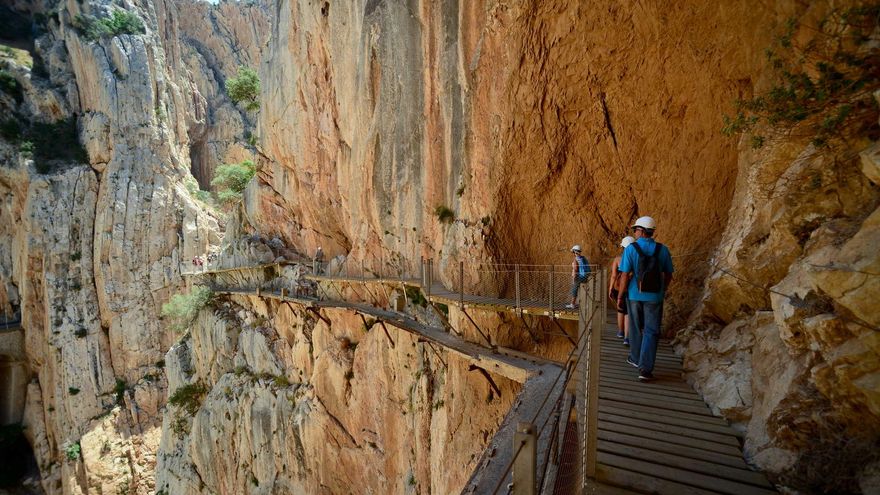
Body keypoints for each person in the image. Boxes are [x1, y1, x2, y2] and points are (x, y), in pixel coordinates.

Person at [616, 216, 673, 382]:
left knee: (634, 327)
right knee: (651, 331)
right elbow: (668, 274)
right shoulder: (663, 250)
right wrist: (662, 290)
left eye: (635, 230)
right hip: (655, 296)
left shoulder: (631, 249)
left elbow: (625, 274)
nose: (635, 232)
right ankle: (645, 369)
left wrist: (620, 295)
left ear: (641, 231)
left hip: (634, 295)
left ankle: (635, 358)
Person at [609, 236, 636, 345]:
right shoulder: (636, 259)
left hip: (618, 288)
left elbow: (614, 275)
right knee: (628, 313)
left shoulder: (618, 259)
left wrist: (610, 288)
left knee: (620, 310)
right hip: (631, 288)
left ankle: (620, 331)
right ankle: (627, 338)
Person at [565, 245, 590, 309]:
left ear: (574, 252)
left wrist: (574, 278)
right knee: (583, 290)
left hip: (580, 277)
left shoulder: (576, 259)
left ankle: (572, 304)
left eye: (573, 252)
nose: (573, 253)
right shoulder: (583, 258)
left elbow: (576, 269)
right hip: (586, 276)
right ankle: (585, 304)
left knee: (574, 289)